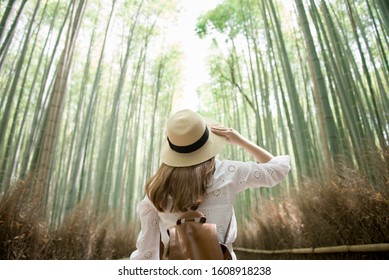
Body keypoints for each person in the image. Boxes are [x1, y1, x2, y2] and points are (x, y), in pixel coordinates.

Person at [130, 109, 290, 260]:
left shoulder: (157, 189)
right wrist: (241, 141)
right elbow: (277, 170)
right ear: (208, 143)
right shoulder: (228, 172)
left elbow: (147, 253)